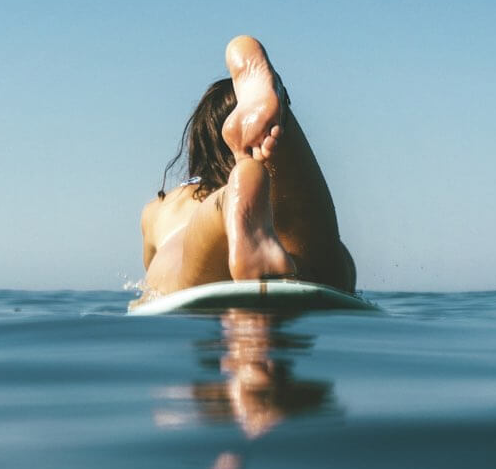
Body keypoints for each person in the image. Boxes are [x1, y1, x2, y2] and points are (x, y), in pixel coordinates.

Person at [138, 36, 355, 303]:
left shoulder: (163, 208)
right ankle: (281, 112)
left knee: (176, 272)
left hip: (197, 271)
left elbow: (147, 283)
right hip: (297, 258)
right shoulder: (280, 201)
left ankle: (231, 199)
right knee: (325, 258)